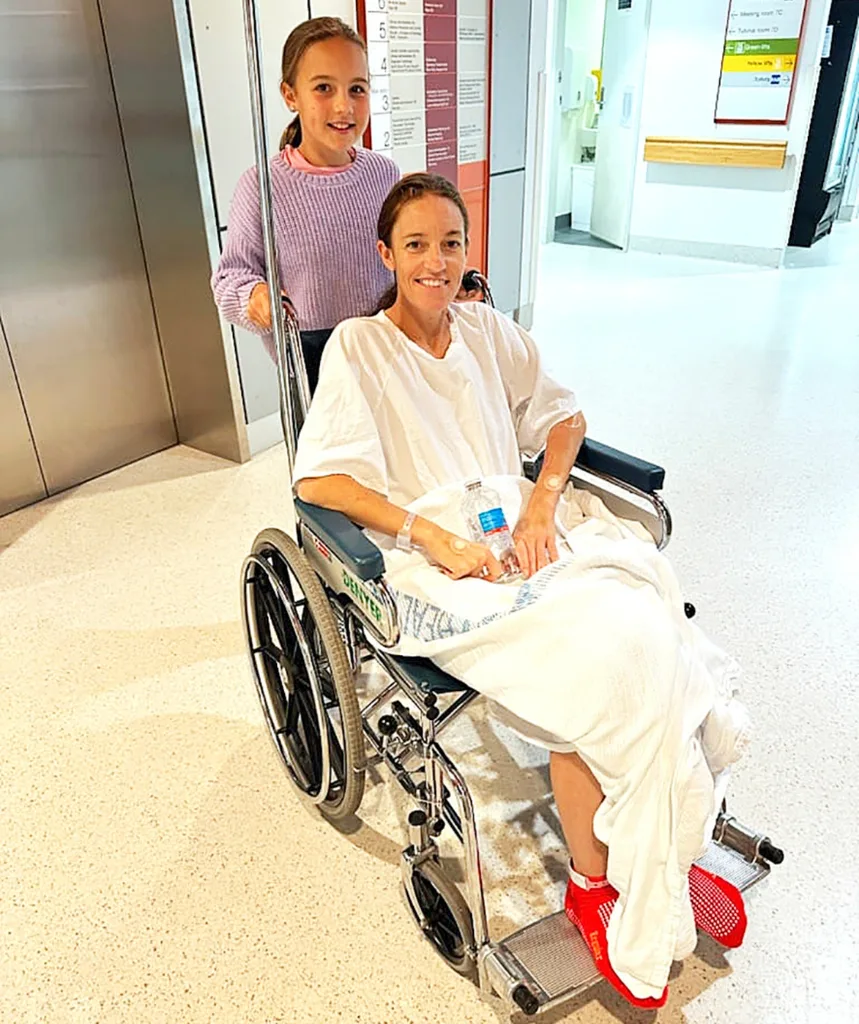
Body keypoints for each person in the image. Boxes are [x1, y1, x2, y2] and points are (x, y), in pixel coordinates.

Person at [292, 174, 751, 1008]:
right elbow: (322, 480)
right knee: (612, 666)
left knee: (646, 630)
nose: (435, 261)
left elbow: (564, 418)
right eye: (416, 245)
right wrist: (431, 536)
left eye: (450, 243)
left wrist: (543, 502)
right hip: (438, 559)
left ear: (467, 251)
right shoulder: (360, 346)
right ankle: (600, 879)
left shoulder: (486, 330)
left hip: (524, 532)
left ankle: (653, 855)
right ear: (386, 254)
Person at [211, 16, 479, 392]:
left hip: (390, 347)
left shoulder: (383, 173)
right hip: (316, 362)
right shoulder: (262, 186)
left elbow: (402, 256)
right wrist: (255, 297)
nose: (344, 106)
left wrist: (441, 280)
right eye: (324, 88)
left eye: (357, 89)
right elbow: (229, 279)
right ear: (290, 95)